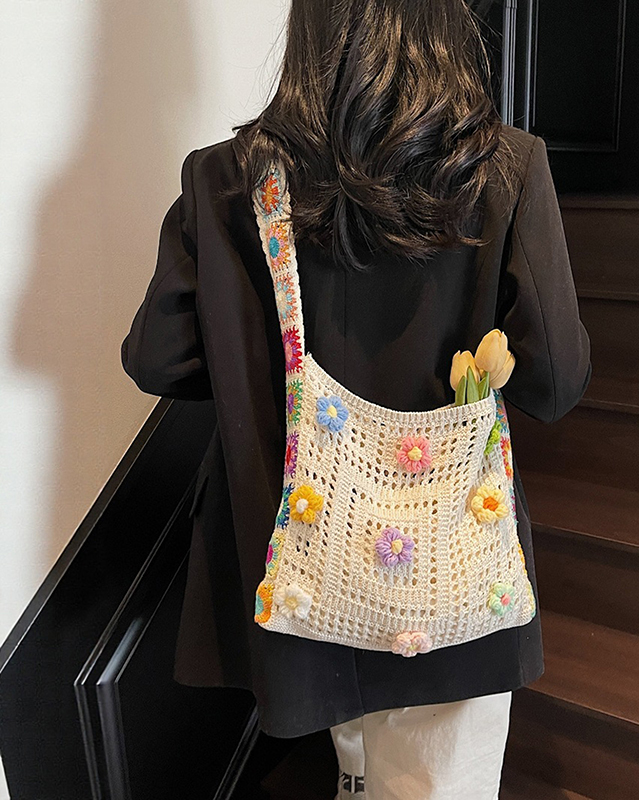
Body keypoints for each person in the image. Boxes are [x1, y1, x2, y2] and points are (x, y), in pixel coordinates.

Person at [120, 1, 591, 797]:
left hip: (301, 570)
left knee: (358, 772)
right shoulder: (504, 166)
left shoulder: (224, 178)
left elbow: (157, 358)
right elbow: (555, 382)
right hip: (447, 576)